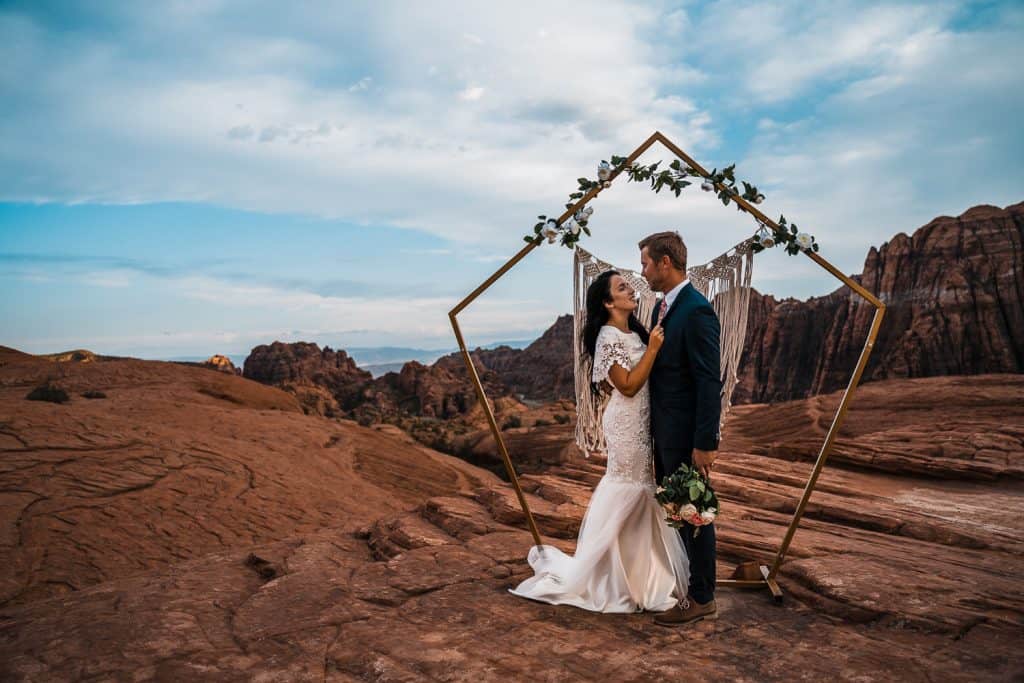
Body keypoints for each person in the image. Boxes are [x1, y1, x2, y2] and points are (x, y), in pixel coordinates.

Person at [509, 270, 689, 613]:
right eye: (622, 288)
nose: (631, 291)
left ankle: (636, 579)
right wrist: (652, 348)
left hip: (640, 421)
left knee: (640, 489)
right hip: (625, 423)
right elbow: (628, 386)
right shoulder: (608, 336)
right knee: (630, 488)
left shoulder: (630, 330)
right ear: (608, 302)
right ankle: (614, 583)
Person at [640, 231, 723, 626]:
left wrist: (705, 442)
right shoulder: (664, 306)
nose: (643, 271)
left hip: (686, 437)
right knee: (680, 510)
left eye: (645, 263)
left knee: (694, 513)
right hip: (666, 432)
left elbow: (710, 381)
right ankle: (693, 587)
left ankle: (702, 597)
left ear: (665, 263)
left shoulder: (695, 310)